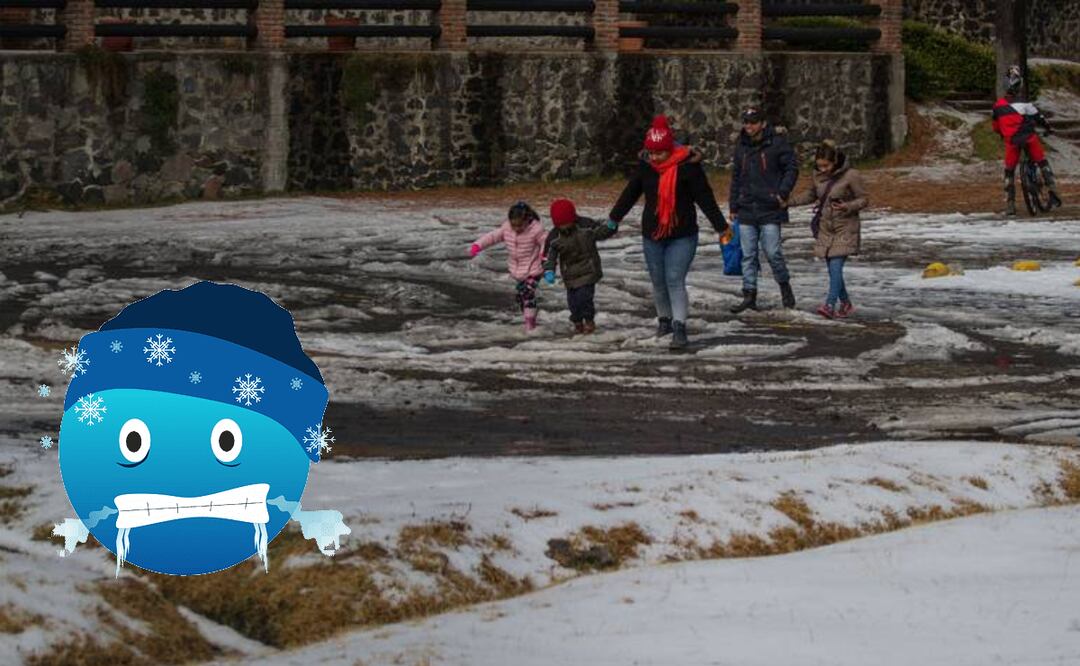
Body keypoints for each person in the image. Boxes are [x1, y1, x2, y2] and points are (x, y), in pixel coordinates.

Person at [608, 115, 730, 350]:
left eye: (659, 153)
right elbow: (629, 194)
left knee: (674, 279)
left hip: (682, 235)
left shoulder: (688, 167)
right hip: (652, 235)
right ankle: (664, 320)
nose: (654, 157)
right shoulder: (646, 167)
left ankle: (679, 327)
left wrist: (721, 227)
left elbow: (705, 198)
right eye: (651, 153)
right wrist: (613, 220)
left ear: (670, 148)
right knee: (658, 281)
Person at [728, 106, 799, 314]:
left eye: (753, 122)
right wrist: (733, 204)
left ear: (763, 123)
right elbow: (736, 177)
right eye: (746, 122)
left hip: (770, 207)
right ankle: (749, 294)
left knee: (773, 252)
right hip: (746, 207)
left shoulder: (777, 143)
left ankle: (784, 285)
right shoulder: (741, 146)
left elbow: (792, 168)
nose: (748, 126)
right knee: (748, 255)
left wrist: (782, 192)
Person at [788, 140, 868, 319]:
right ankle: (846, 303)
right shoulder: (818, 176)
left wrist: (847, 206)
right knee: (833, 270)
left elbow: (863, 199)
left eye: (826, 166)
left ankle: (830, 305)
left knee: (836, 266)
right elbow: (811, 195)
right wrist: (789, 203)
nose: (823, 169)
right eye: (819, 166)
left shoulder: (851, 175)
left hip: (845, 226)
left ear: (835, 161)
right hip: (825, 227)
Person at [992, 65, 1063, 215]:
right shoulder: (1026, 104)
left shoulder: (997, 107)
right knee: (1042, 162)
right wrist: (1048, 129)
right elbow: (1040, 119)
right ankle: (1054, 193)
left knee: (1009, 171)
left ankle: (1010, 204)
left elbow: (996, 127)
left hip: (1011, 141)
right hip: (1029, 138)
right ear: (1020, 86)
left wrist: (1002, 133)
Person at [542, 198, 618, 335]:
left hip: (588, 270)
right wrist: (549, 270)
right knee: (573, 303)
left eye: (567, 222)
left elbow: (600, 232)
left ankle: (589, 320)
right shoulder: (554, 237)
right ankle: (577, 321)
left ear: (573, 218)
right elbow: (549, 255)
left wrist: (611, 227)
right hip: (570, 275)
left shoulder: (585, 226)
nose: (565, 226)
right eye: (561, 224)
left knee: (584, 298)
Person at [469, 201, 548, 331]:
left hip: (534, 269)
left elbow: (547, 243)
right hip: (517, 271)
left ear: (527, 220)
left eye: (520, 225)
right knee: (522, 298)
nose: (516, 228)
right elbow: (492, 237)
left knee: (528, 293)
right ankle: (529, 316)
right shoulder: (507, 229)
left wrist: (544, 258)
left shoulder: (536, 230)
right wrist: (477, 245)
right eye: (514, 225)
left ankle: (530, 325)